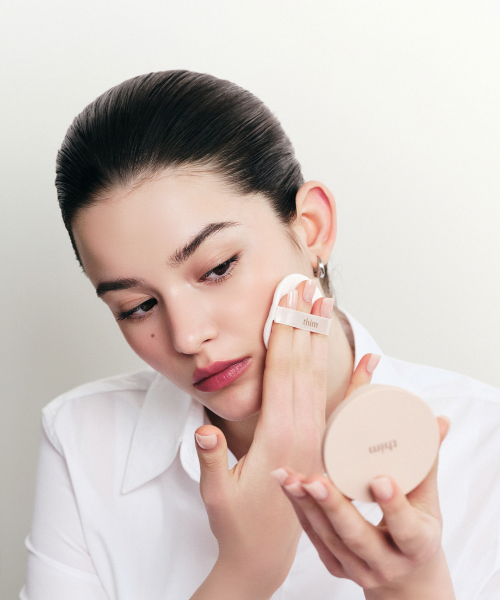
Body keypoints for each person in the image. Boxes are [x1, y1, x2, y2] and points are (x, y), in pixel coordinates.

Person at [21, 70, 500, 600]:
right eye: (138, 307)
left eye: (218, 268)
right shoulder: (82, 438)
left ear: (311, 227)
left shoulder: (487, 445)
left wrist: (414, 588)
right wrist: (246, 570)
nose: (188, 336)